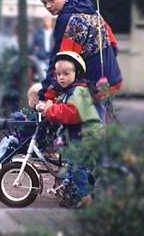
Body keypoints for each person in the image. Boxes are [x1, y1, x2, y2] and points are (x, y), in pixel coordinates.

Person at [36, 0, 122, 121]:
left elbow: (61, 59)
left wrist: (46, 95)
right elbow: (113, 45)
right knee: (100, 120)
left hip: (92, 84)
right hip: (111, 79)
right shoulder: (91, 10)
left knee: (87, 125)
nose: (49, 6)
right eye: (45, 3)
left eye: (52, 0)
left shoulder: (67, 19)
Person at [36, 51, 100, 207]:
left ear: (77, 73)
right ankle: (74, 195)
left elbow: (72, 113)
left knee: (78, 167)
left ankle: (85, 199)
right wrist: (50, 106)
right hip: (77, 135)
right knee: (72, 165)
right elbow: (63, 106)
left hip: (86, 135)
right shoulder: (70, 90)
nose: (61, 77)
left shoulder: (78, 91)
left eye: (66, 73)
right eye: (58, 74)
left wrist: (49, 110)